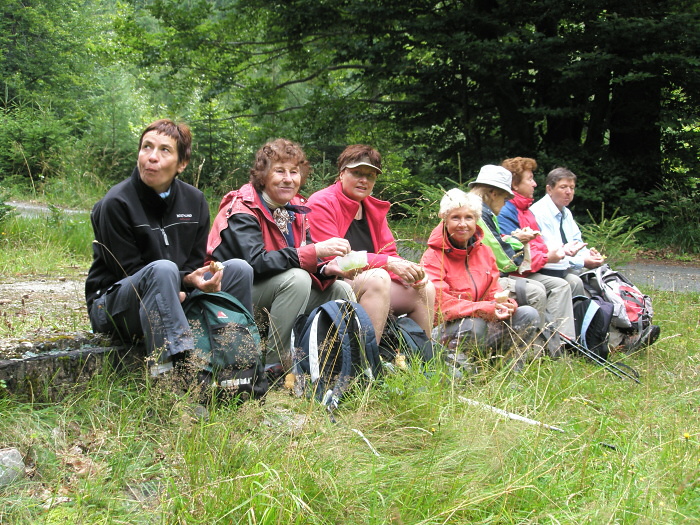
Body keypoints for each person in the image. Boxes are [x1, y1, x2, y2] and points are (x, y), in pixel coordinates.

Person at [85, 119, 254, 378]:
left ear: (181, 164)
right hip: (114, 306)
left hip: (173, 296)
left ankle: (236, 368)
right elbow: (128, 273)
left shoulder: (195, 201)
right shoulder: (115, 203)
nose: (152, 157)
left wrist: (193, 281)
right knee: (163, 270)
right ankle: (176, 378)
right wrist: (178, 289)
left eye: (164, 150)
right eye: (146, 147)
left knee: (239, 269)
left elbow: (191, 265)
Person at [207, 138, 355, 373]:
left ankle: (340, 359)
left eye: (294, 172)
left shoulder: (296, 208)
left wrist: (327, 269)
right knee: (297, 279)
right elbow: (255, 263)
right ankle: (275, 365)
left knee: (341, 290)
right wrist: (314, 252)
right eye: (279, 171)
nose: (288, 178)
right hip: (233, 295)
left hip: (277, 290)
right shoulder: (243, 208)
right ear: (263, 175)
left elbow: (298, 259)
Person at [306, 144, 435, 344]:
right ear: (341, 174)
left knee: (424, 287)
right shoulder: (321, 202)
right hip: (329, 283)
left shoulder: (372, 207)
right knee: (378, 277)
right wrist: (388, 264)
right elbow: (334, 260)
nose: (364, 180)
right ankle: (366, 363)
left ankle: (420, 357)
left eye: (371, 175)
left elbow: (389, 252)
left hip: (369, 281)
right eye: (357, 173)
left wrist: (407, 272)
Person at [421, 189, 540, 369]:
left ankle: (506, 372)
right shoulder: (433, 256)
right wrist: (485, 309)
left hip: (483, 322)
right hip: (446, 331)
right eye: (455, 218)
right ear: (444, 219)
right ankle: (461, 373)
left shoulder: (484, 251)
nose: (463, 224)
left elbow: (494, 290)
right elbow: (440, 307)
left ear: (476, 220)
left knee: (528, 314)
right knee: (473, 325)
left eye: (468, 217)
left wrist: (506, 303)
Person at [497, 157, 579, 355]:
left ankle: (567, 342)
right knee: (557, 285)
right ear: (515, 185)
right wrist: (548, 257)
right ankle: (548, 346)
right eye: (530, 179)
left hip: (532, 267)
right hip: (515, 272)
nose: (535, 184)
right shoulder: (507, 211)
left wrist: (552, 254)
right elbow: (512, 257)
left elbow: (538, 244)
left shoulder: (524, 210)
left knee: (575, 279)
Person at [467, 164, 547, 325]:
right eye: (504, 199)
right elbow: (506, 261)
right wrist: (519, 241)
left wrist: (513, 238)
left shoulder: (477, 207)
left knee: (539, 287)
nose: (505, 204)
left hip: (478, 276)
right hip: (477, 280)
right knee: (536, 292)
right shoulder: (479, 213)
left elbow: (494, 243)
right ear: (493, 193)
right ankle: (529, 346)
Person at [529, 167, 605, 275]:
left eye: (572, 188)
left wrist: (591, 255)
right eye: (563, 187)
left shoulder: (566, 212)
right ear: (549, 189)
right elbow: (553, 254)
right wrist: (582, 262)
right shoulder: (539, 213)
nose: (569, 192)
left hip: (569, 268)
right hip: (549, 271)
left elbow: (577, 242)